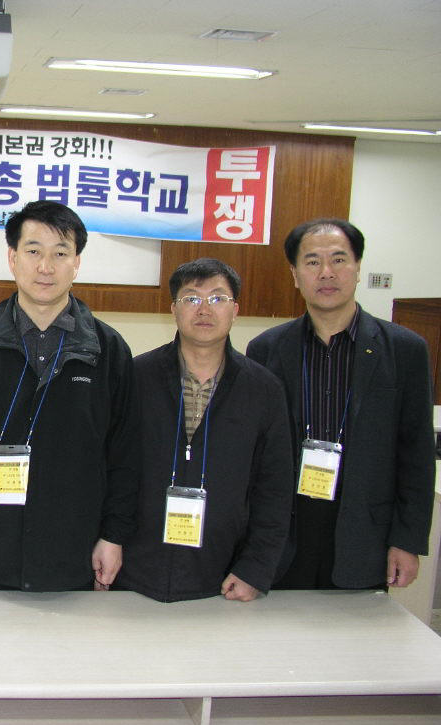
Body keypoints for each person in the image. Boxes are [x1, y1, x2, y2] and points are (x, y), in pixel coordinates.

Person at [0, 200, 139, 591]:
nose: (46, 267)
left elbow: (125, 455)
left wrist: (114, 535)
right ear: (12, 258)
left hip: (74, 555)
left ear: (77, 262)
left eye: (61, 253)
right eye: (34, 251)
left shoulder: (108, 351)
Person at [247, 219, 435, 589]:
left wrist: (407, 540)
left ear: (358, 267)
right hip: (286, 532)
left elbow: (417, 453)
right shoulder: (266, 350)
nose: (326, 273)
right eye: (312, 262)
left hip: (365, 531)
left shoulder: (404, 349)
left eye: (338, 259)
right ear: (295, 274)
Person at [115, 258, 293, 602]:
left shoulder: (263, 389)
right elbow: (113, 469)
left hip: (223, 576)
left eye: (218, 298)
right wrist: (110, 541)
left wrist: (254, 568)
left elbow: (275, 489)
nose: (204, 309)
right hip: (135, 571)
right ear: (174, 309)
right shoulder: (136, 377)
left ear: (235, 310)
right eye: (192, 298)